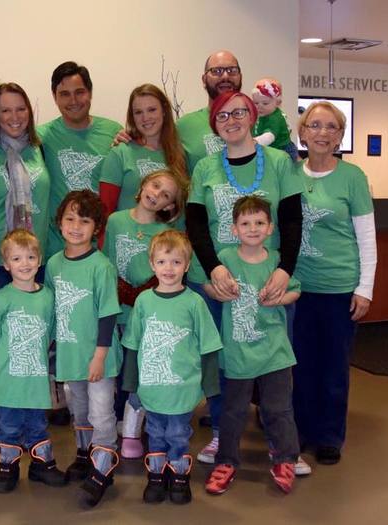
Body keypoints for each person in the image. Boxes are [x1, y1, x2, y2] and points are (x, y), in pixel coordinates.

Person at [185, 91, 305, 470]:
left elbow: (292, 220)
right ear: (214, 125)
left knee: (274, 364)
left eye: (239, 112)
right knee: (223, 364)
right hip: (217, 280)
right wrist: (212, 270)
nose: (232, 120)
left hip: (267, 279)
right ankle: (223, 435)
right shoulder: (205, 167)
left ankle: (279, 444)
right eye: (222, 115)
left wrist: (285, 270)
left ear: (253, 116)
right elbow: (196, 224)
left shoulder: (278, 162)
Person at [292, 101, 377, 465]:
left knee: (333, 367)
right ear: (302, 132)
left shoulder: (352, 177)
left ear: (340, 135)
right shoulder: (289, 173)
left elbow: (367, 237)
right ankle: (298, 431)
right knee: (299, 365)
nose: (322, 133)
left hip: (339, 289)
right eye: (314, 125)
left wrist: (365, 288)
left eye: (331, 127)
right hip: (297, 288)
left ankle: (329, 436)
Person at [0, 83, 51, 444]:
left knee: (33, 342)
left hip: (34, 260)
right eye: (5, 110)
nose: (14, 117)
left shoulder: (39, 148)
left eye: (21, 109)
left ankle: (32, 421)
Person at [203, 196, 301, 495]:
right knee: (233, 411)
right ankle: (226, 461)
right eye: (245, 223)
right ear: (234, 229)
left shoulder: (277, 261)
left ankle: (285, 459)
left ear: (270, 228)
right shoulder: (225, 259)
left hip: (275, 352)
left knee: (278, 409)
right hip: (238, 353)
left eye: (260, 222)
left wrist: (280, 298)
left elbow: (295, 291)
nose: (253, 228)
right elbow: (206, 285)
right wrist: (217, 292)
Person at [121, 230, 222, 505]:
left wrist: (210, 387)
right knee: (155, 433)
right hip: (151, 388)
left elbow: (209, 347)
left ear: (187, 266)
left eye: (176, 262)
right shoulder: (143, 301)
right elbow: (133, 345)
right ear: (152, 264)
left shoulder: (194, 302)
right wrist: (131, 385)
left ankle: (179, 476)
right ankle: (156, 476)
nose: (169, 268)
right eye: (162, 262)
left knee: (177, 434)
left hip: (182, 389)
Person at [102, 169, 187, 459]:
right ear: (143, 185)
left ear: (169, 206)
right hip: (120, 309)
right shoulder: (116, 220)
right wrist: (119, 294)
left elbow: (168, 269)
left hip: (150, 313)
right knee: (123, 369)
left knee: (147, 368)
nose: (156, 194)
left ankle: (151, 422)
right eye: (155, 185)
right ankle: (123, 421)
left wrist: (143, 294)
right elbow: (107, 262)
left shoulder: (165, 233)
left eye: (166, 195)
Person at [44, 190, 122, 508]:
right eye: (70, 219)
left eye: (85, 221)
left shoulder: (101, 266)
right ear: (60, 222)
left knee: (101, 412)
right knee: (79, 408)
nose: (76, 227)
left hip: (97, 356)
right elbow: (51, 310)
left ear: (96, 228)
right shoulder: (53, 264)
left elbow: (108, 314)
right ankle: (85, 452)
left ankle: (104, 465)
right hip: (70, 354)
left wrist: (100, 356)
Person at [0, 229, 68, 493]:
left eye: (30, 257)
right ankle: (8, 469)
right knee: (9, 426)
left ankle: (42, 466)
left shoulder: (48, 297)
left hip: (35, 379)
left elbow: (51, 334)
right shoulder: (1, 299)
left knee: (37, 424)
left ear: (39, 260)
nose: (25, 264)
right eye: (16, 259)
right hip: (9, 381)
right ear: (6, 264)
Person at [38, 62, 123, 258]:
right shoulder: (41, 137)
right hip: (57, 251)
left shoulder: (114, 132)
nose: (73, 100)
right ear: (54, 97)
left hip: (102, 248)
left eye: (79, 92)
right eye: (65, 94)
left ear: (90, 93)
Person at [99, 84, 188, 216]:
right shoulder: (120, 152)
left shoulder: (180, 153)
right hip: (129, 229)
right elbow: (104, 211)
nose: (145, 118)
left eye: (152, 110)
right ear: (132, 117)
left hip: (172, 229)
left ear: (164, 110)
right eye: (138, 112)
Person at [176, 50, 243, 172]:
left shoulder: (257, 121)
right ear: (204, 80)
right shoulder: (184, 126)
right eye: (216, 71)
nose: (225, 76)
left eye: (232, 70)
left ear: (240, 76)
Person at [251, 77, 298, 160]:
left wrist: (252, 143)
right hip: (269, 148)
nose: (259, 107)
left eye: (265, 103)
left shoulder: (276, 117)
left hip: (283, 150)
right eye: (256, 103)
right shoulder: (257, 115)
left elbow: (269, 137)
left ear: (277, 103)